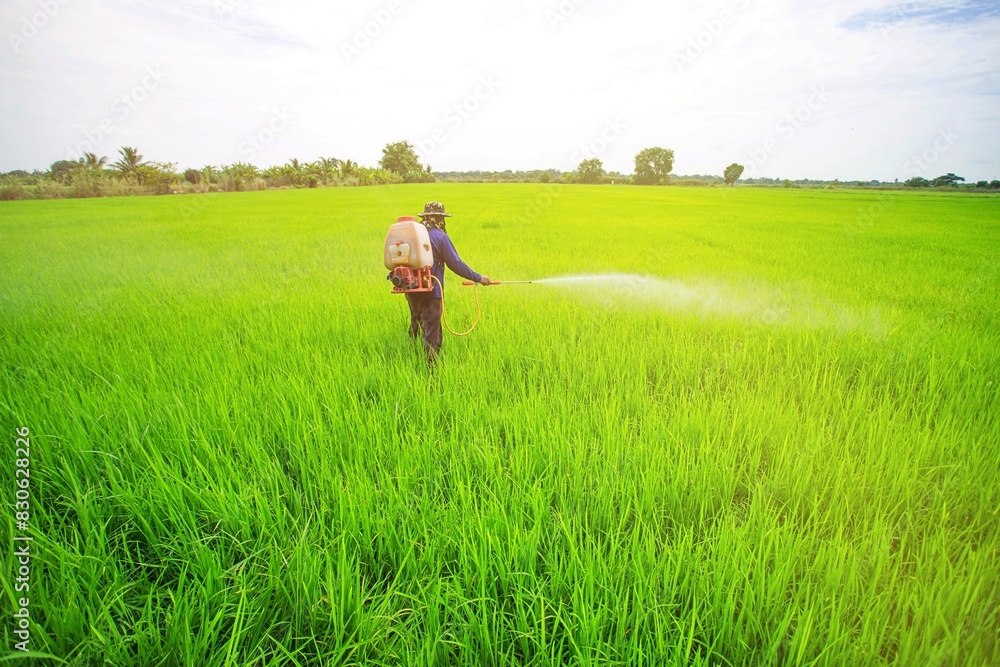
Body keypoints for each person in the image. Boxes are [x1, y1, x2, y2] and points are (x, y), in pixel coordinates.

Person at [406, 201, 490, 362]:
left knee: (416, 319)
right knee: (432, 330)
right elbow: (456, 264)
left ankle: (411, 352)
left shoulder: (413, 235)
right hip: (432, 290)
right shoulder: (440, 237)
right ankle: (432, 367)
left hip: (411, 288)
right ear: (439, 218)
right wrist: (478, 277)